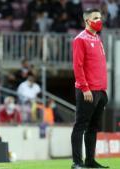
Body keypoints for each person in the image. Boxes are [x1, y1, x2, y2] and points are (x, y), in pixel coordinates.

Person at [71, 8, 109, 169]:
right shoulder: (80, 39)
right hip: (87, 91)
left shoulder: (98, 38)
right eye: (95, 17)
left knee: (93, 128)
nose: (99, 20)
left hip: (100, 91)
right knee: (81, 125)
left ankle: (90, 161)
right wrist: (85, 88)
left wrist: (103, 92)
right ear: (87, 20)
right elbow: (78, 66)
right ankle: (77, 162)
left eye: (100, 17)